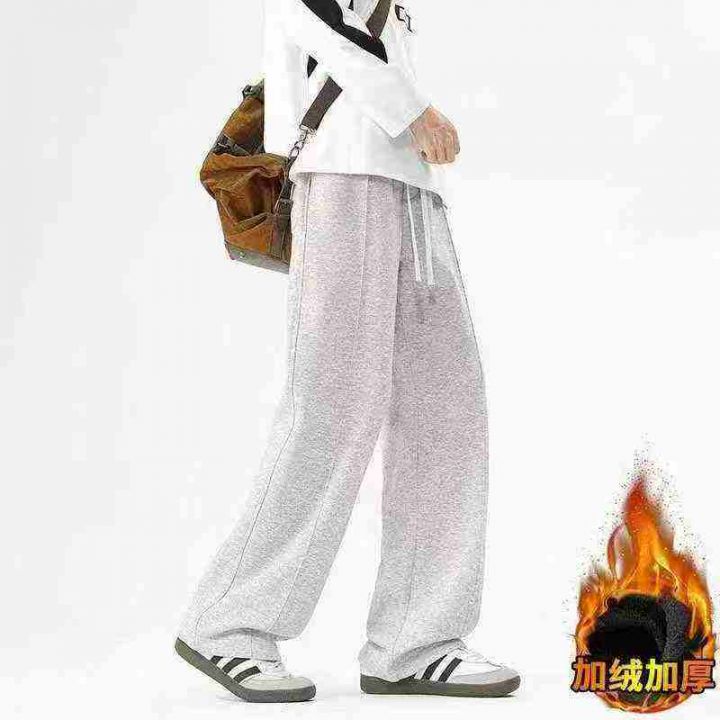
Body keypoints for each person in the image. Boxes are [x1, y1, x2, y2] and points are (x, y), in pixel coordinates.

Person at [175, 0, 520, 703]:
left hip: (410, 183)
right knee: (334, 401)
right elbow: (311, 16)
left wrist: (411, 119)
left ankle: (416, 639)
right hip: (342, 169)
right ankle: (230, 623)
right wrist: (413, 111)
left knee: (445, 406)